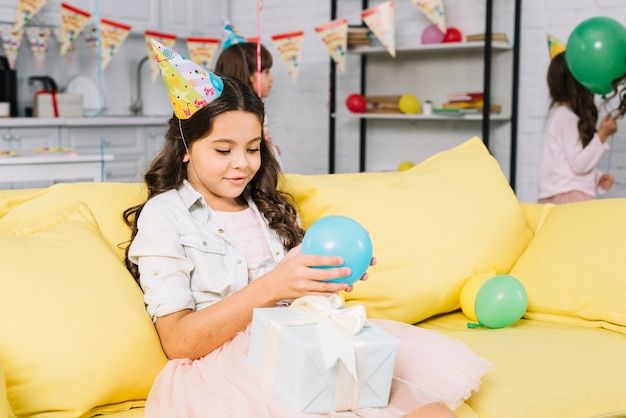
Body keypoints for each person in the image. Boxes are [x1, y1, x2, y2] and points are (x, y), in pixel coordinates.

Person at [124, 40, 492, 418]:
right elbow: (179, 340)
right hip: (230, 371)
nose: (242, 164)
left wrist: (321, 278)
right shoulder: (166, 215)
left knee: (432, 412)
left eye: (253, 148)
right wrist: (275, 285)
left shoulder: (267, 207)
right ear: (185, 147)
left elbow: (294, 299)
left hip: (300, 345)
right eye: (223, 150)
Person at [538, 51, 618, 204]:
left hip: (559, 194)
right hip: (570, 197)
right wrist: (602, 135)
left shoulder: (561, 115)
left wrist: (596, 178)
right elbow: (578, 164)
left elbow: (565, 166)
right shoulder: (567, 118)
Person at [215, 41, 283, 168]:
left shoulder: (255, 110)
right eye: (266, 71)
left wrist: (272, 151)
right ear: (250, 75)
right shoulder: (237, 116)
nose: (272, 78)